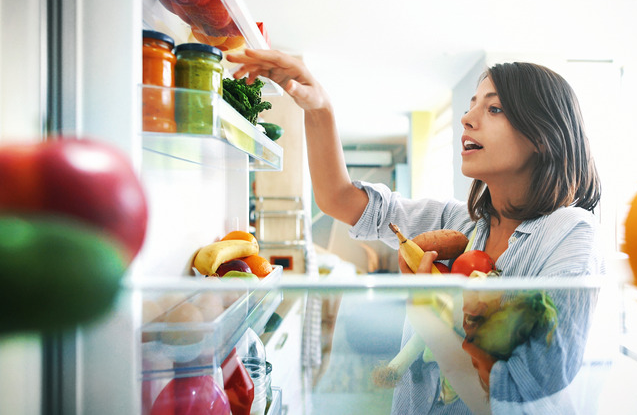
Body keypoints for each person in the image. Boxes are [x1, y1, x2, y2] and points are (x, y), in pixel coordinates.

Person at [227, 49, 605, 414]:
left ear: (542, 136)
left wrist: (427, 309)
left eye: (494, 108)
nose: (467, 118)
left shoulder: (571, 235)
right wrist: (319, 106)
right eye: (472, 104)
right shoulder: (458, 224)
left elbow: (517, 395)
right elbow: (339, 198)